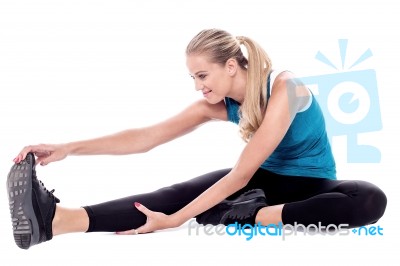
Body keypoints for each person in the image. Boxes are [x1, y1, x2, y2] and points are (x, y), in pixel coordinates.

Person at [7, 29, 387, 249]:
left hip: (311, 187)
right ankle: (57, 221)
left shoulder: (286, 88)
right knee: (173, 195)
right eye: (193, 77)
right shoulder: (216, 105)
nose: (197, 85)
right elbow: (145, 137)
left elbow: (239, 176)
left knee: (370, 198)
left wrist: (176, 222)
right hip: (262, 184)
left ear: (232, 66)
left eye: (202, 75)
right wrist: (68, 148)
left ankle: (247, 215)